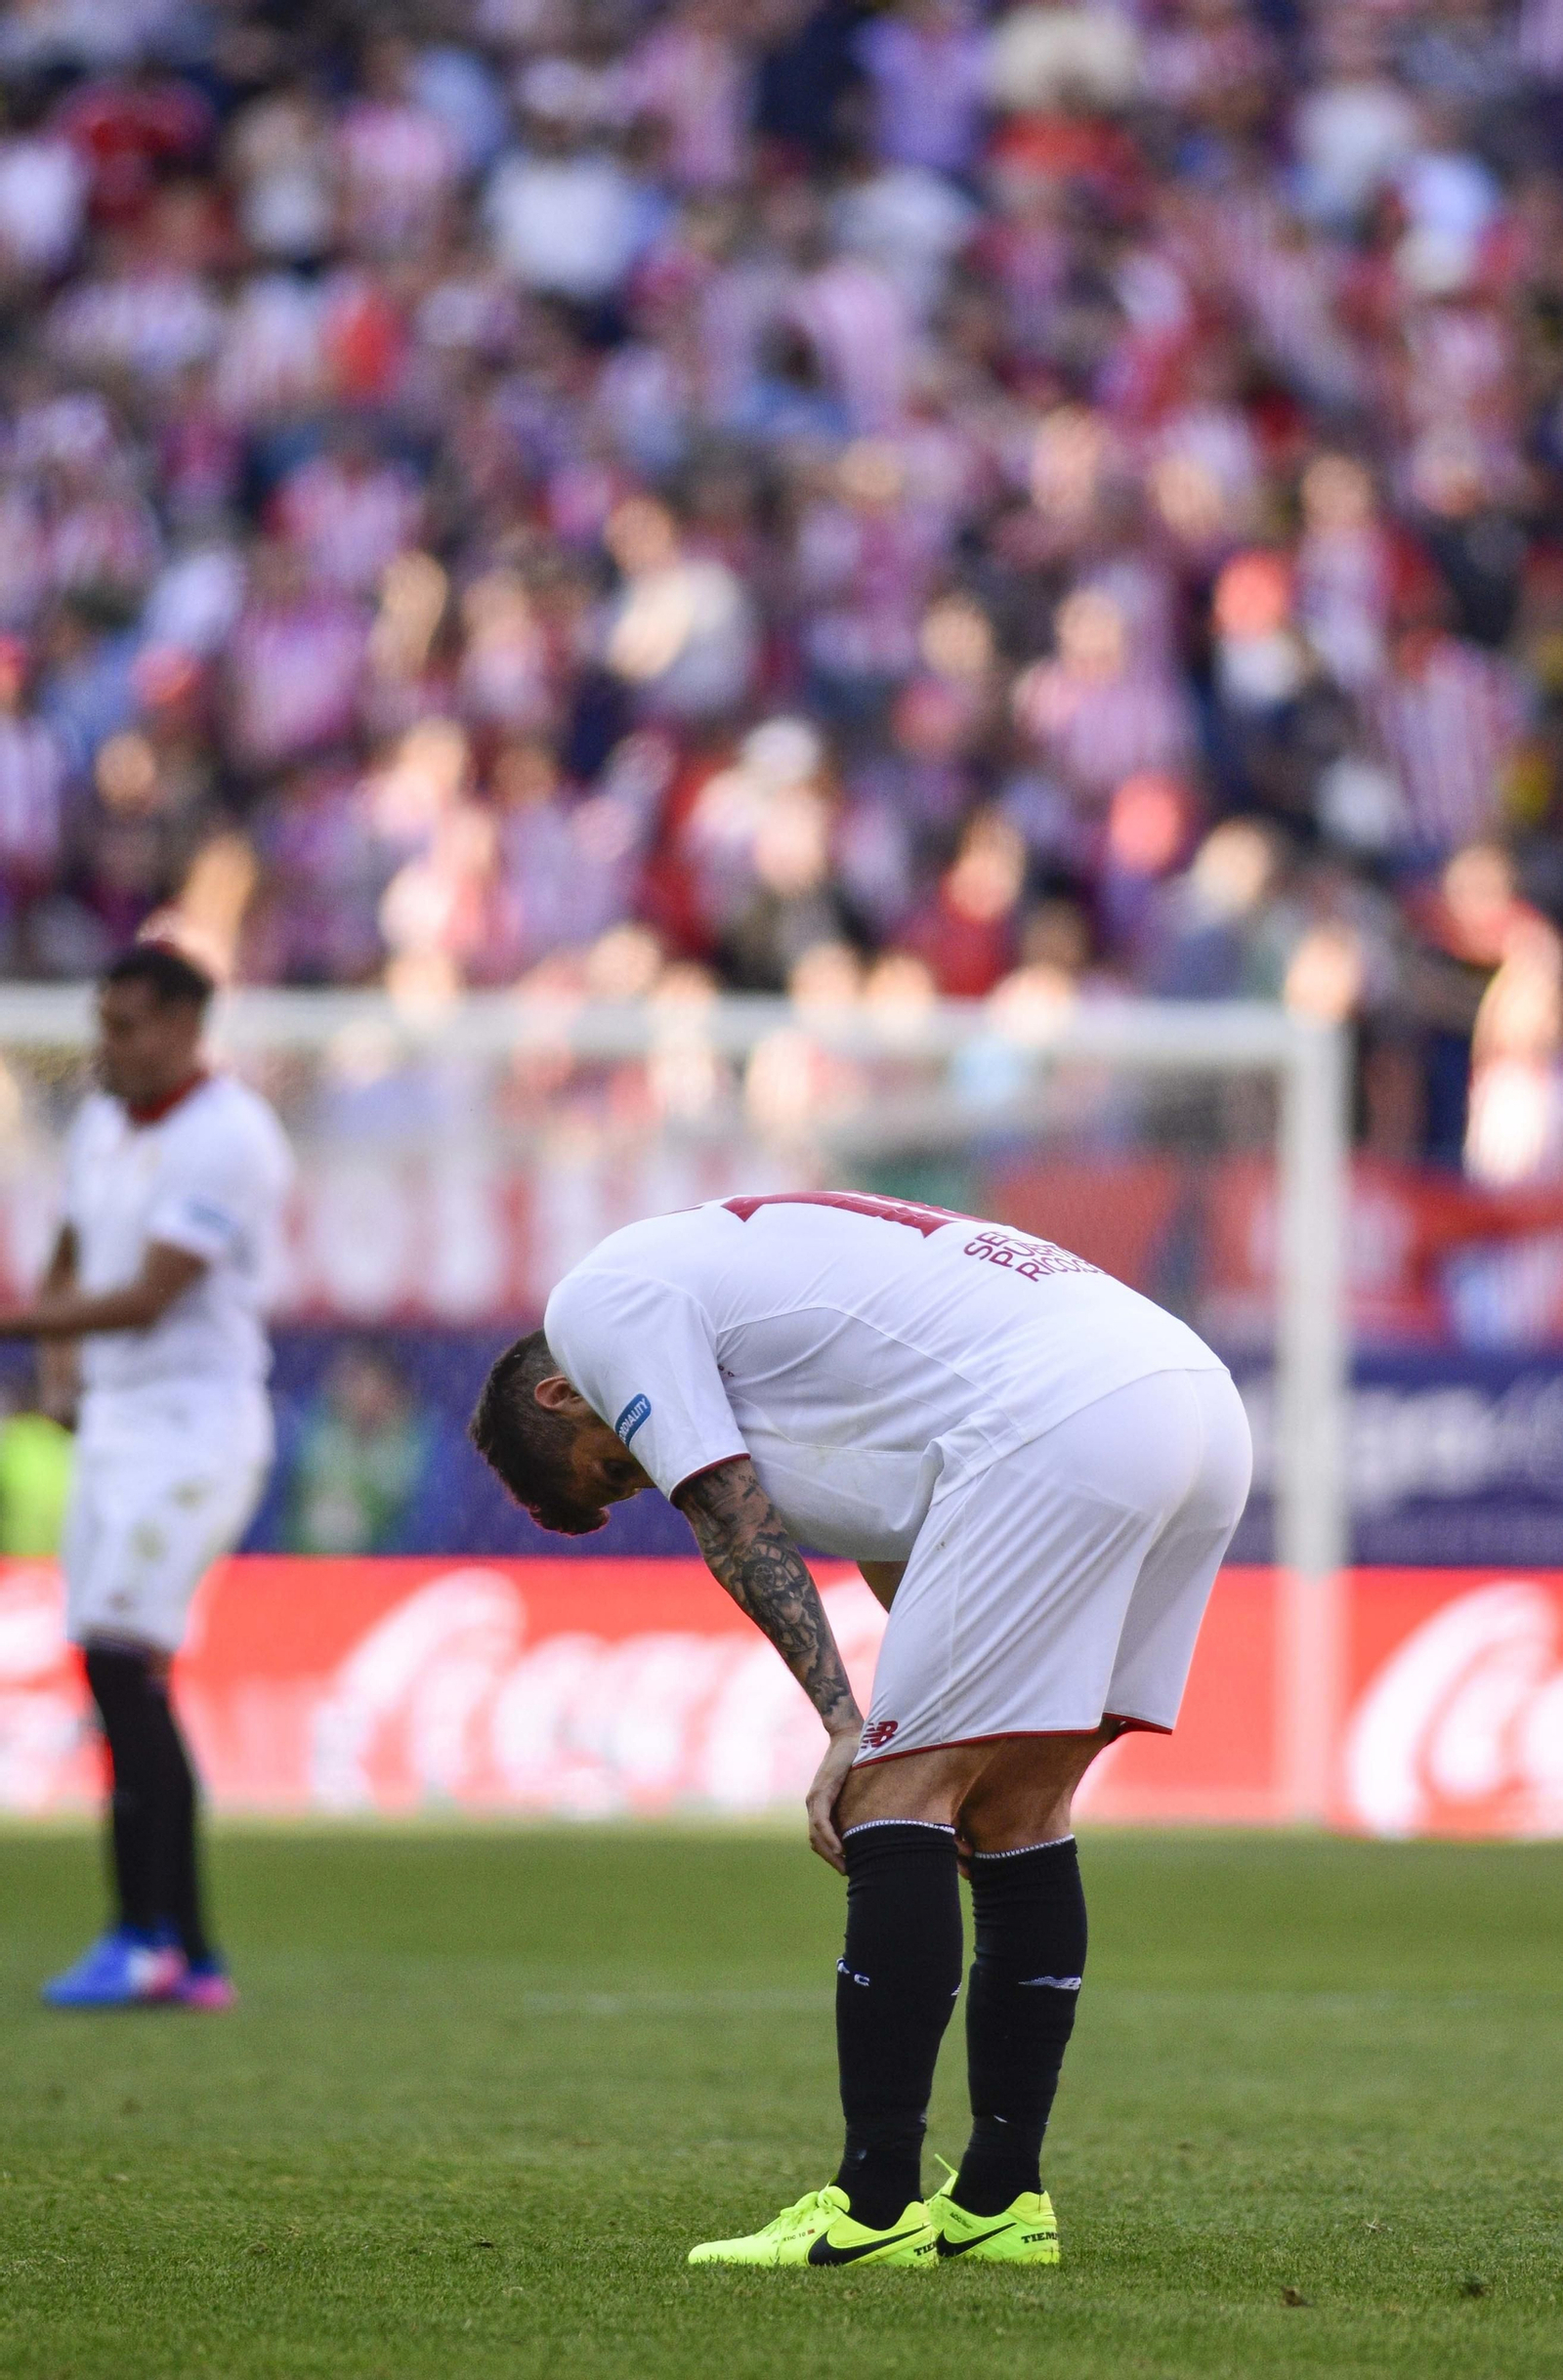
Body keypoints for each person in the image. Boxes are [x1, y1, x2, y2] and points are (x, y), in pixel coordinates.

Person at [470, 1189, 1250, 2270]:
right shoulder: (761, 1324)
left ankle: (871, 2209)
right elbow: (922, 1546)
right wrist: (939, 1716)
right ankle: (998, 2206)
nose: (644, 1477)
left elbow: (726, 1513)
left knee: (891, 1797)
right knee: (1017, 1809)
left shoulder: (598, 1305)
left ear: (563, 1393)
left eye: (612, 1469)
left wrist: (853, 1729)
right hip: (1189, 1403)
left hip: (1063, 1416)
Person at [0, 943, 293, 2010]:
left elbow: (153, 1294)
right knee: (113, 1664)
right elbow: (75, 1257)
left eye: (125, 1027)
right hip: (117, 1427)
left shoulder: (230, 1139)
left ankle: (146, 1934)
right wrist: (62, 1374)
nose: (106, 1048)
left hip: (196, 1426)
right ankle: (189, 1951)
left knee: (124, 1660)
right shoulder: (101, 1126)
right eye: (103, 1023)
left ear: (182, 1026)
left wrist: (21, 1327)